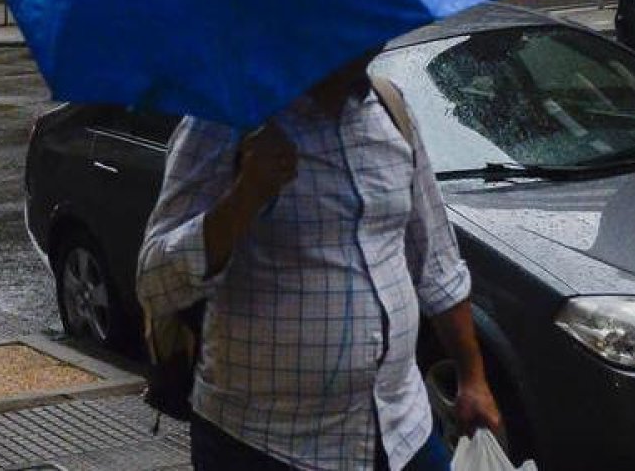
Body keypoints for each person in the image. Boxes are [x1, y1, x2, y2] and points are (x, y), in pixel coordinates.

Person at [137, 50, 503, 471]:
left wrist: (473, 377)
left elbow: (436, 261)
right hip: (263, 446)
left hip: (402, 432)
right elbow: (154, 281)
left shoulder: (391, 110)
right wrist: (245, 197)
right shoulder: (220, 123)